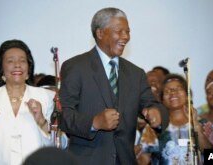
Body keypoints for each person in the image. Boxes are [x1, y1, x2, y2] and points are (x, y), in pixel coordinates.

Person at [59, 7, 169, 165]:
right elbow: (63, 115)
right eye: (119, 31)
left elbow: (152, 104)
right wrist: (94, 122)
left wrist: (157, 113)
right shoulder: (76, 67)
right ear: (100, 33)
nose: (126, 37)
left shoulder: (135, 73)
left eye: (128, 31)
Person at [0, 39, 54, 165]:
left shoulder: (47, 97)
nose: (17, 64)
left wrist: (42, 122)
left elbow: (60, 144)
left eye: (22, 60)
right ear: (1, 69)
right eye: (10, 61)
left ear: (28, 67)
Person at [155, 74, 211, 164]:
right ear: (162, 100)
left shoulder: (203, 123)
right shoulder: (155, 127)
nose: (173, 92)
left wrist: (196, 125)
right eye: (167, 91)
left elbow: (212, 154)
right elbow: (144, 159)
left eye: (178, 88)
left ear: (187, 95)